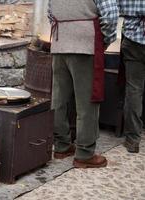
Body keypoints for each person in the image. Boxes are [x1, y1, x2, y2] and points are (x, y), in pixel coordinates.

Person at [48, 0, 118, 168]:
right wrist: (104, 41)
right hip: (86, 45)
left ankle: (61, 146)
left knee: (59, 99)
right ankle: (85, 154)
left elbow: (50, 14)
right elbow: (111, 17)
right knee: (87, 102)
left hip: (59, 45)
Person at [118, 1, 145, 153]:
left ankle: (133, 139)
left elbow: (115, 7)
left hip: (134, 40)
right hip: (134, 41)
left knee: (134, 90)